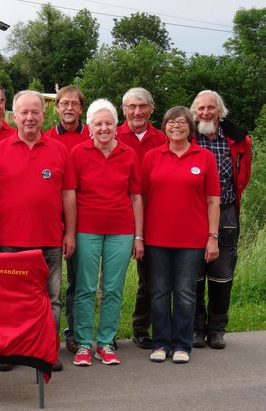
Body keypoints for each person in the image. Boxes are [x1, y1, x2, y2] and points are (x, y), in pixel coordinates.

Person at [0, 90, 76, 372]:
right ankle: (11, 350)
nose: (30, 117)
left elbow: (69, 195)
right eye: (24, 112)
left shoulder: (59, 150)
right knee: (10, 301)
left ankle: (47, 351)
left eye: (35, 112)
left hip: (49, 241)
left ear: (44, 115)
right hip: (10, 242)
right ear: (15, 115)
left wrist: (69, 233)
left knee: (51, 300)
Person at [143, 106, 220, 364]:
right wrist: (139, 236)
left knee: (186, 292)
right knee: (160, 292)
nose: (176, 126)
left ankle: (182, 345)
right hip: (156, 238)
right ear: (164, 126)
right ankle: (161, 343)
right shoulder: (152, 157)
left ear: (191, 126)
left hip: (192, 239)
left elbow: (213, 201)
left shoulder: (204, 157)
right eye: (171, 122)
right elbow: (141, 199)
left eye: (182, 122)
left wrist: (212, 237)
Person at [71, 99, 143, 367]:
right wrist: (69, 232)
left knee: (112, 288)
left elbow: (136, 197)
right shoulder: (78, 153)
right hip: (86, 229)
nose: (104, 128)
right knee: (86, 288)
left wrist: (138, 236)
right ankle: (83, 344)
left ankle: (106, 342)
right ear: (89, 127)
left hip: (121, 230)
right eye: (98, 123)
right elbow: (70, 195)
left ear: (116, 125)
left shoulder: (128, 154)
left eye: (108, 123)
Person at [190, 90, 252, 349]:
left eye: (210, 108)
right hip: (192, 211)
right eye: (201, 108)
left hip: (226, 210)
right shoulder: (188, 135)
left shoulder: (238, 140)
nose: (206, 113)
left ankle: (217, 329)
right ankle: (195, 329)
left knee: (222, 272)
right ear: (195, 111)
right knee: (192, 273)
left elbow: (244, 175)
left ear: (220, 111)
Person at [117, 87, 167, 350]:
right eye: (131, 107)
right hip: (116, 218)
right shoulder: (111, 135)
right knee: (111, 281)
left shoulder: (163, 139)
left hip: (152, 218)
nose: (137, 112)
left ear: (152, 109)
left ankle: (140, 327)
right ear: (123, 110)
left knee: (150, 280)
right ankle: (108, 332)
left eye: (142, 106)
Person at [45, 85, 89, 355]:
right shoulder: (47, 138)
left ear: (81, 108)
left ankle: (73, 334)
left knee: (77, 282)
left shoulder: (93, 136)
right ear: (56, 107)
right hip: (50, 223)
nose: (69, 108)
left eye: (74, 104)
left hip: (84, 222)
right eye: (64, 104)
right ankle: (37, 338)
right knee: (46, 287)